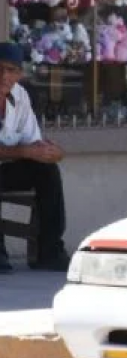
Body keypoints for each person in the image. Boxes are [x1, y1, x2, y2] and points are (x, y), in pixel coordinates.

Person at [0, 42, 69, 274]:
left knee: (47, 171)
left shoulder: (20, 97)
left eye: (10, 70)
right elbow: (25, 150)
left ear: (19, 74)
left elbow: (33, 143)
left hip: (7, 168)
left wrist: (53, 153)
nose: (4, 76)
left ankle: (50, 252)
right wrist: (24, 152)